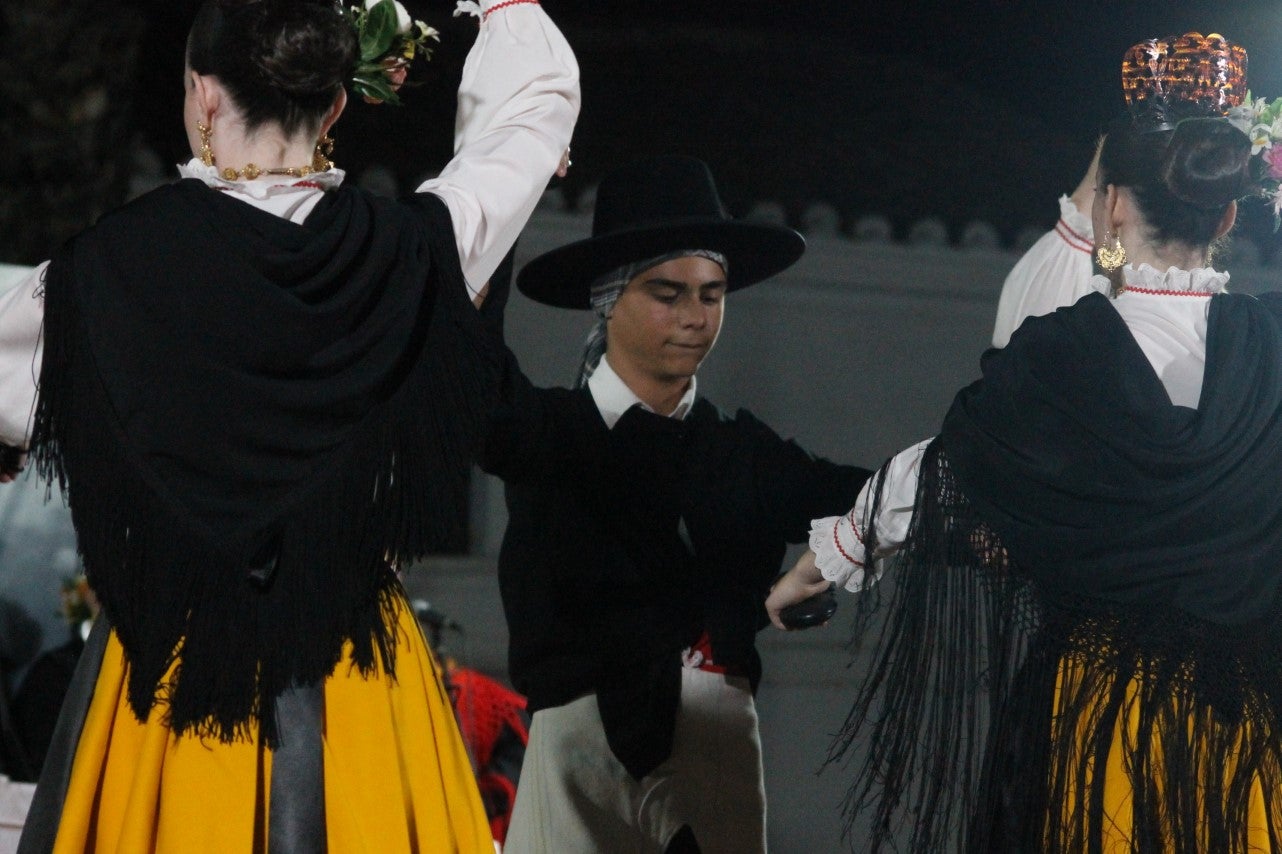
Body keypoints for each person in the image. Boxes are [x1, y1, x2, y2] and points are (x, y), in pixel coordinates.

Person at [0, 0, 578, 850]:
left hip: (167, 684)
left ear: (202, 95)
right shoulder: (419, 249)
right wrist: (499, 9)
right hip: (356, 679)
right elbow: (529, 120)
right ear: (337, 105)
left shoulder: (99, 273)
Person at [766, 33, 1282, 854]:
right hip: (1246, 741)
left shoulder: (1063, 349)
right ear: (1226, 213)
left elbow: (941, 463)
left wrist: (824, 560)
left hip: (1100, 722)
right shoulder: (1270, 346)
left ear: (1115, 203)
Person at [479, 155, 871, 853]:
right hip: (565, 746)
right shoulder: (547, 433)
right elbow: (469, 379)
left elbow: (871, 495)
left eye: (712, 294)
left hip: (705, 736)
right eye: (669, 292)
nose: (696, 317)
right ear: (609, 297)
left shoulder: (742, 454)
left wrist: (846, 546)